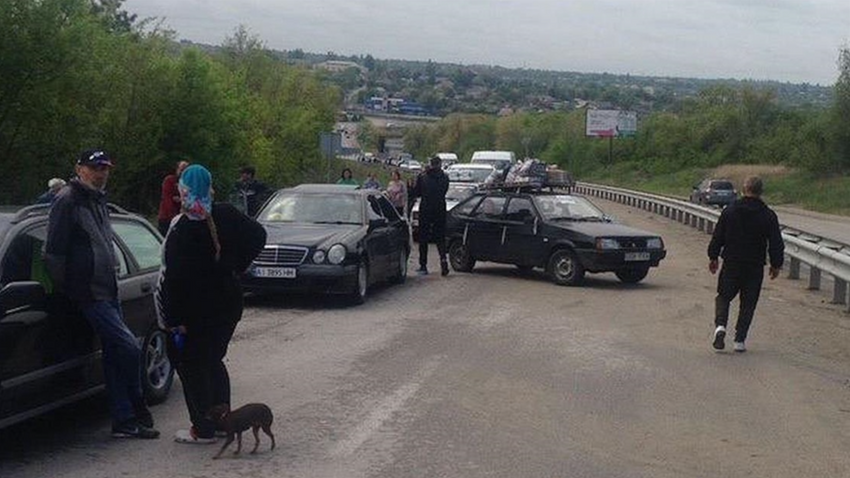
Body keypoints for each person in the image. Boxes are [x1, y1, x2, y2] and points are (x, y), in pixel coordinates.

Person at [44, 149, 160, 439]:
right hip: (88, 293)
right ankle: (138, 409)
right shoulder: (67, 201)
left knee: (114, 356)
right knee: (128, 347)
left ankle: (123, 421)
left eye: (105, 167)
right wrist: (69, 289)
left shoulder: (97, 199)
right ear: (79, 168)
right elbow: (54, 252)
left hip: (109, 289)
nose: (101, 172)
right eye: (95, 167)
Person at [156, 164, 266, 444]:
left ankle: (203, 428)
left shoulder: (181, 227)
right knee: (213, 361)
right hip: (227, 305)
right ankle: (222, 422)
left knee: (192, 367)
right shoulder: (226, 213)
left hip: (194, 313)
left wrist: (173, 320)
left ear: (183, 191)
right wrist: (237, 265)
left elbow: (172, 278)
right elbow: (258, 235)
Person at [708, 176, 784, 353]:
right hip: (754, 265)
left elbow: (718, 236)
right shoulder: (768, 215)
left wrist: (713, 257)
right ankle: (739, 340)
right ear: (761, 192)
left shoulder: (730, 211)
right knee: (748, 303)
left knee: (723, 296)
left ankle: (720, 327)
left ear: (743, 190)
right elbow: (775, 242)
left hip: (732, 262)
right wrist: (776, 264)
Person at [412, 156, 450, 276]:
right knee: (440, 236)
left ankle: (423, 266)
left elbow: (417, 193)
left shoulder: (423, 177)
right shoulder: (445, 178)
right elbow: (445, 191)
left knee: (423, 237)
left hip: (426, 208)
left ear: (431, 164)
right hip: (440, 207)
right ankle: (443, 260)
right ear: (440, 164)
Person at [157, 160, 189, 235]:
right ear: (177, 170)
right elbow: (167, 198)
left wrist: (180, 199)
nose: (183, 172)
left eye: (186, 170)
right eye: (181, 170)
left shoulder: (189, 183)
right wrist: (174, 217)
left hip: (182, 217)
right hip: (167, 218)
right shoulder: (170, 180)